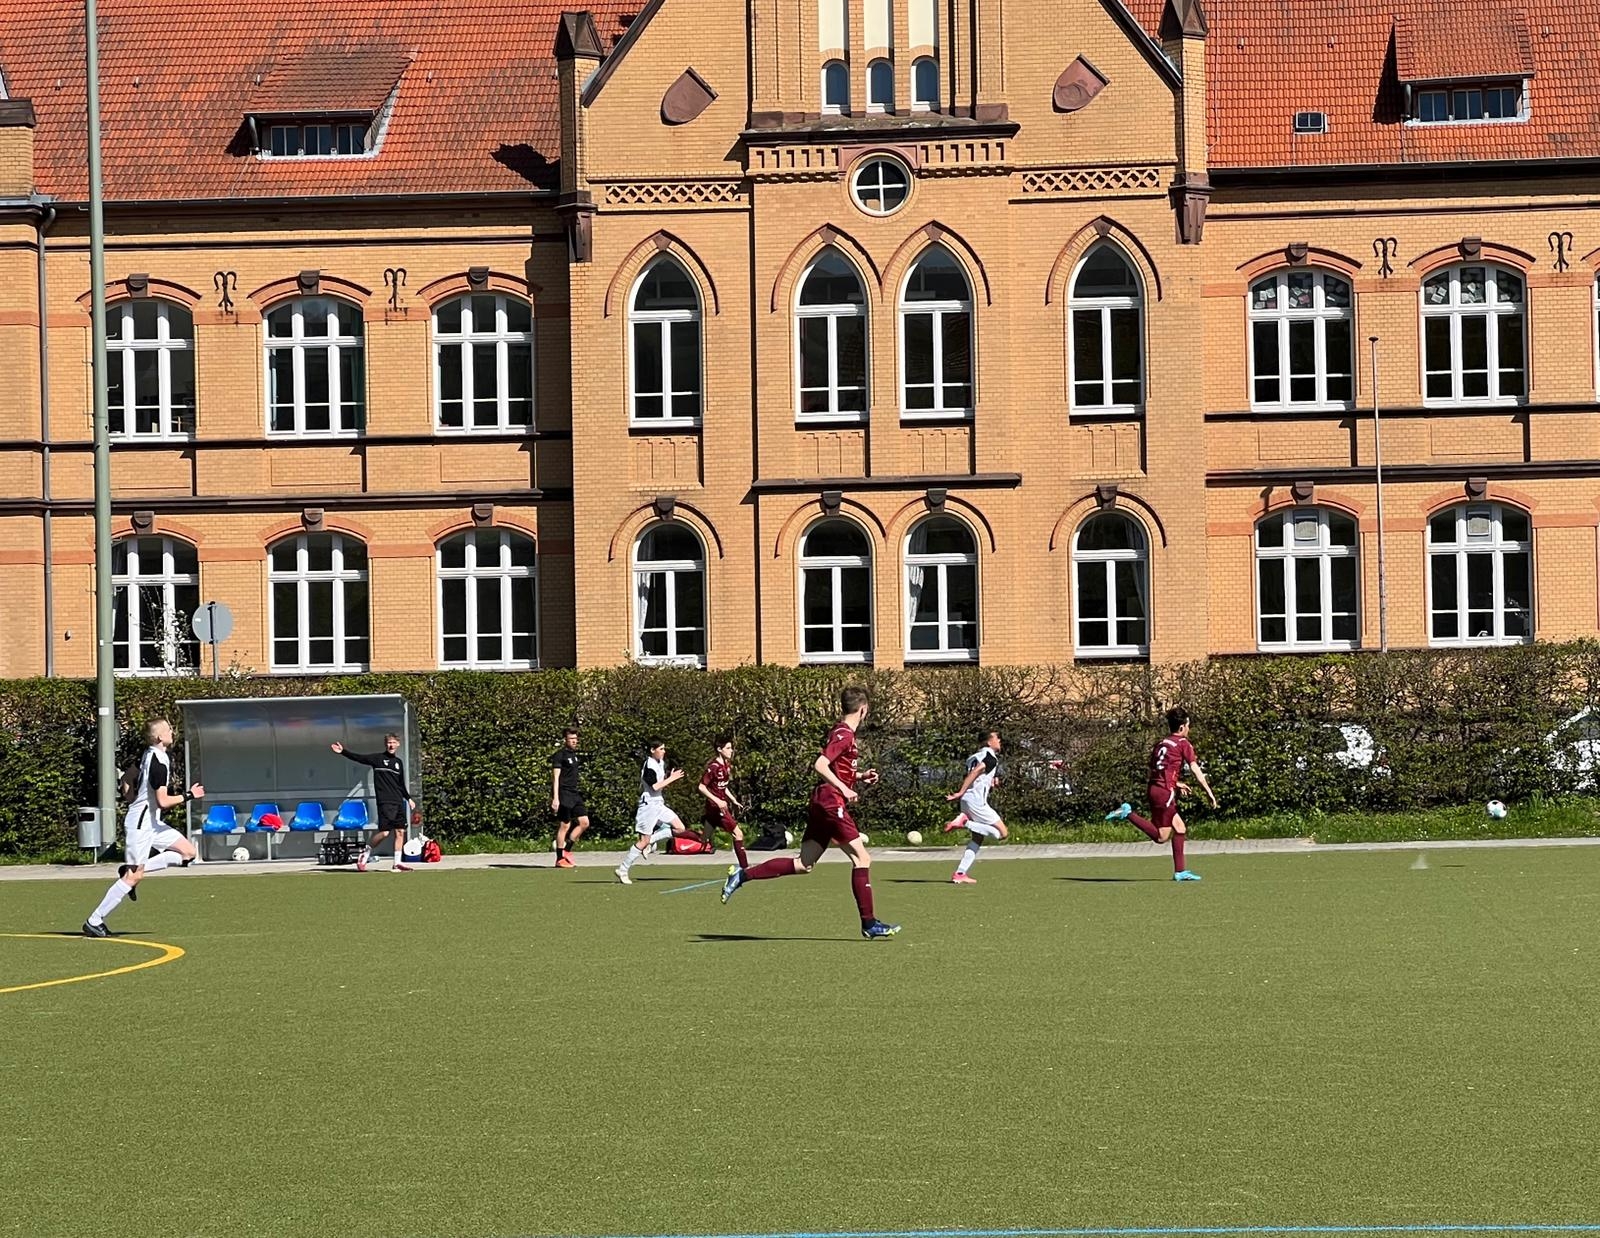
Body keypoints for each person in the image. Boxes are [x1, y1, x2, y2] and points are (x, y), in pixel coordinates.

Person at [720, 687, 900, 939]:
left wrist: (859, 776)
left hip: (822, 801)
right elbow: (820, 765)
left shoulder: (839, 731)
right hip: (830, 802)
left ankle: (742, 875)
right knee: (862, 859)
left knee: (803, 864)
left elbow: (836, 768)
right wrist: (844, 789)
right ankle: (869, 923)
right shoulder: (845, 735)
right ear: (863, 709)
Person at [83, 719, 203, 937]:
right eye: (168, 730)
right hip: (141, 824)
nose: (172, 732)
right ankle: (94, 920)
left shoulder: (149, 754)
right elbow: (163, 801)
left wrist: (131, 797)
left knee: (188, 853)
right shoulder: (158, 763)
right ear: (159, 737)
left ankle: (131, 870)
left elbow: (127, 777)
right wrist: (189, 795)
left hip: (151, 822)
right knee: (133, 877)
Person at [1106, 706, 1218, 881]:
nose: (1189, 729)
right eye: (1188, 725)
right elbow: (1195, 769)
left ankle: (1180, 871)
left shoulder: (1161, 744)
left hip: (1155, 789)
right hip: (1165, 792)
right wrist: (1209, 792)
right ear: (1182, 727)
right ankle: (1128, 813)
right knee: (1161, 837)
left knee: (1180, 828)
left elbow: (1157, 769)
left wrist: (1176, 783)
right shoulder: (1183, 743)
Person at [616, 739, 695, 885]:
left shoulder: (660, 763)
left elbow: (660, 785)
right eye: (661, 749)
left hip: (659, 803)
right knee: (643, 841)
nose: (664, 751)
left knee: (680, 828)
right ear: (653, 750)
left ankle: (651, 841)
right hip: (648, 806)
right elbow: (655, 787)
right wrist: (671, 779)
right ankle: (623, 869)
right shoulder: (649, 765)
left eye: (664, 748)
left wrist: (668, 778)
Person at [332, 734, 415, 873]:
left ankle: (397, 863)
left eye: (393, 742)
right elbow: (360, 758)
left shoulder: (398, 763)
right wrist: (343, 752)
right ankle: (365, 853)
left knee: (400, 832)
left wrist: (408, 798)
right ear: (386, 744)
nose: (391, 745)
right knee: (385, 833)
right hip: (385, 801)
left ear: (398, 744)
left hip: (398, 801)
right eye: (389, 743)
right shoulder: (378, 759)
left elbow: (401, 784)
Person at [942, 729, 1008, 885]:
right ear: (988, 742)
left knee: (977, 838)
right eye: (997, 738)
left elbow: (977, 775)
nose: (999, 740)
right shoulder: (990, 757)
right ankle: (965, 822)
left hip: (967, 801)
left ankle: (960, 873)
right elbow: (976, 771)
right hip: (976, 802)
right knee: (1002, 833)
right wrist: (960, 791)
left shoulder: (974, 757)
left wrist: (991, 781)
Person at [697, 735, 749, 873]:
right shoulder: (713, 767)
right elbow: (701, 787)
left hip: (718, 807)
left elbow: (722, 786)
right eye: (728, 748)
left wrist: (733, 800)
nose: (731, 750)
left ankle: (676, 834)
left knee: (702, 840)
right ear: (719, 749)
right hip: (717, 807)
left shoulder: (726, 765)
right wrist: (718, 801)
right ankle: (745, 868)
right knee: (738, 834)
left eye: (731, 748)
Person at [550, 727, 588, 868]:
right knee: (565, 825)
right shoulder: (559, 755)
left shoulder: (575, 755)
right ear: (565, 740)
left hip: (574, 794)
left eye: (575, 739)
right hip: (564, 794)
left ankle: (566, 851)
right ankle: (559, 859)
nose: (574, 741)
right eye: (571, 738)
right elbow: (556, 778)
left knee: (584, 822)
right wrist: (555, 798)